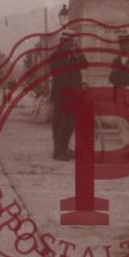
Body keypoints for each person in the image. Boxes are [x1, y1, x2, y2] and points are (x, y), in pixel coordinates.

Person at [50, 32, 88, 161]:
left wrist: (78, 50)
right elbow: (61, 77)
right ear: (62, 42)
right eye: (68, 42)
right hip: (62, 96)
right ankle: (58, 151)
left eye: (72, 43)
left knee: (70, 123)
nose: (70, 45)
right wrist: (74, 89)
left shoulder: (72, 55)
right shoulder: (56, 56)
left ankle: (65, 148)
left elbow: (84, 65)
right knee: (60, 123)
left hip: (72, 96)